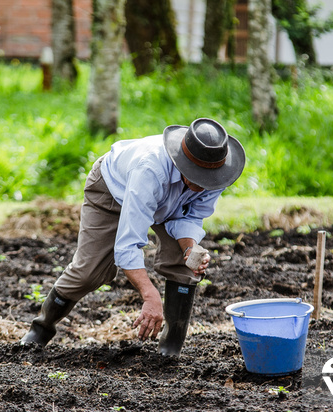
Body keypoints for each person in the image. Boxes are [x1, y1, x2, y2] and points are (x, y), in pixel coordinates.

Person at [20, 118, 246, 356]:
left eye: (207, 180)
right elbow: (127, 245)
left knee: (185, 264)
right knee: (89, 271)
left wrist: (189, 249)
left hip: (168, 204)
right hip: (112, 192)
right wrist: (150, 296)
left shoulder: (215, 174)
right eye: (196, 176)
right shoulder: (149, 170)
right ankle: (41, 329)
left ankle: (170, 349)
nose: (202, 186)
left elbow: (190, 217)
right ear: (182, 162)